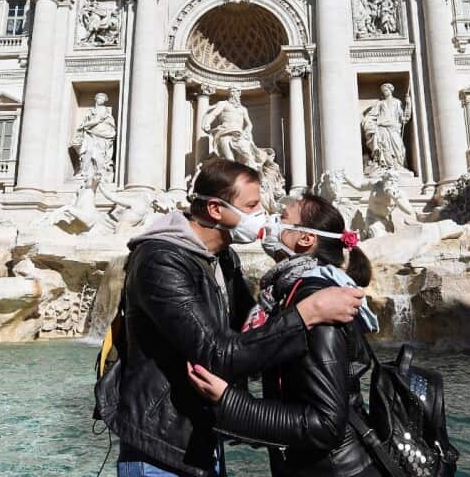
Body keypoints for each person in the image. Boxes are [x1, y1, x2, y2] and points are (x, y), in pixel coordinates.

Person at [106, 159, 365, 477]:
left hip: (203, 438)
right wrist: (306, 314)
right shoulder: (160, 261)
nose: (262, 216)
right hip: (161, 447)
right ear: (216, 209)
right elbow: (218, 354)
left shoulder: (222, 257)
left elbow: (251, 334)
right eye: (252, 205)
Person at [187, 194, 380, 477]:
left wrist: (230, 402)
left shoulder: (317, 300)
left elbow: (325, 425)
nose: (271, 222)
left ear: (305, 239)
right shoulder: (289, 292)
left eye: (282, 218)